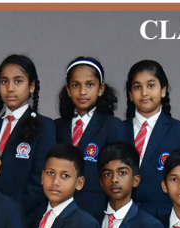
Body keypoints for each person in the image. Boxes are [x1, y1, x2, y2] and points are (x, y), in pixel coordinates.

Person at [124, 60, 180, 221]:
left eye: (151, 85)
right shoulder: (118, 129)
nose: (144, 93)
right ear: (130, 94)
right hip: (123, 218)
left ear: (163, 90)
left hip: (165, 219)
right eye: (137, 87)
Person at [54, 56, 126, 218]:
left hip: (97, 210)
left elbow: (118, 173)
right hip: (60, 208)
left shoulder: (112, 126)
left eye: (90, 85)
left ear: (101, 89)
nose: (82, 91)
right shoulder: (57, 126)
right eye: (76, 85)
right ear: (68, 90)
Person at [0, 55, 55, 214]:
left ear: (31, 86)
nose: (10, 88)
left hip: (24, 215)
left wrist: (10, 209)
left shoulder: (44, 126)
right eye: (4, 81)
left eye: (18, 81)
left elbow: (40, 179)